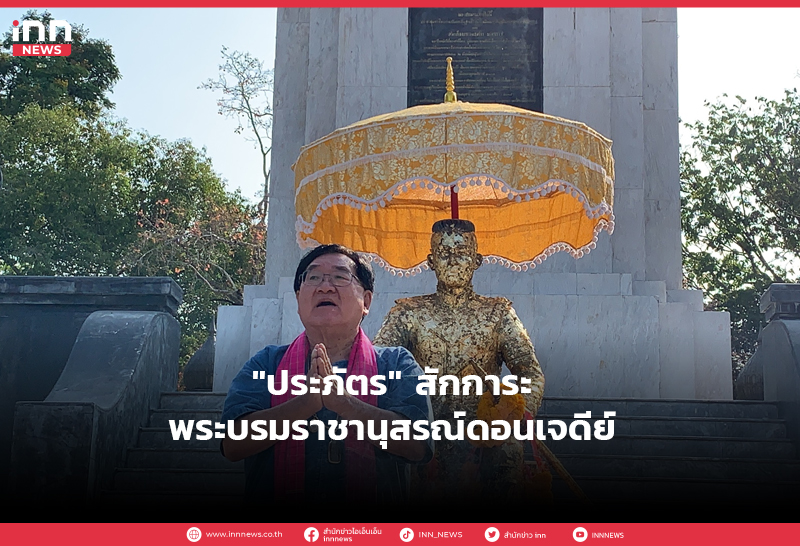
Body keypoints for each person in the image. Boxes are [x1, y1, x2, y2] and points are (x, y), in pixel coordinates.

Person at [221, 244, 433, 506]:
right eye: (313, 277)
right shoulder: (266, 363)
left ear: (366, 301)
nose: (324, 287)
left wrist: (344, 403)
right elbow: (233, 444)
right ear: (298, 300)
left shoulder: (396, 363)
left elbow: (417, 444)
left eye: (340, 277)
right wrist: (305, 403)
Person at [374, 219, 546, 504]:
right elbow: (377, 365)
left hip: (483, 436)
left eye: (462, 252)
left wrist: (513, 411)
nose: (453, 260)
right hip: (426, 432)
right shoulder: (408, 313)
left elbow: (530, 372)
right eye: (444, 253)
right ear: (431, 261)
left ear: (476, 260)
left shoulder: (498, 314)